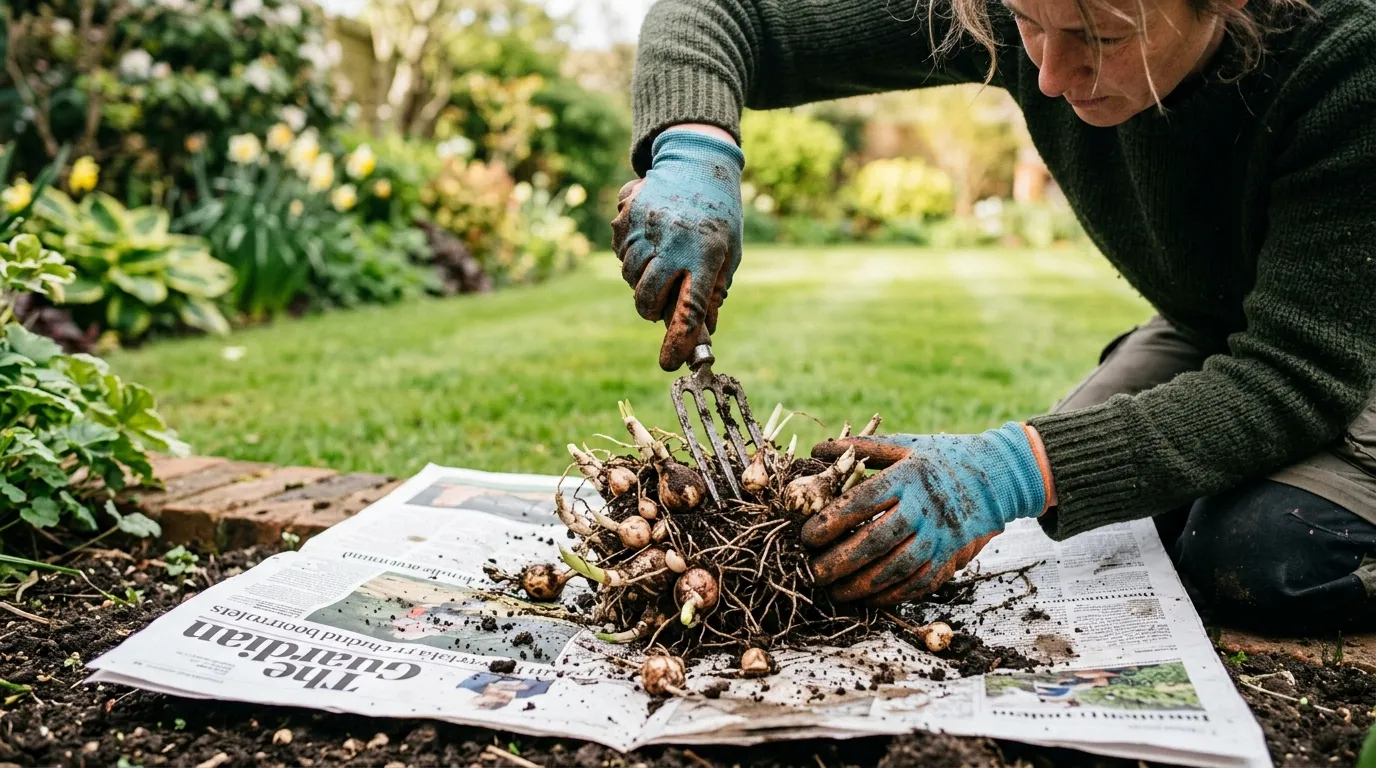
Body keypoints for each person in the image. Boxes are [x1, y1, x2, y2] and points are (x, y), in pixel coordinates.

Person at [610, 0, 1376, 633]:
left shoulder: (1349, 59)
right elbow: (719, 15)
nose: (1048, 75)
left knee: (1263, 554)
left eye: (1101, 38)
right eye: (1026, 25)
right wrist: (693, 147)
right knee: (1098, 521)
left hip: (1344, 346)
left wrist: (1021, 467)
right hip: (1223, 320)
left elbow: (1294, 374)